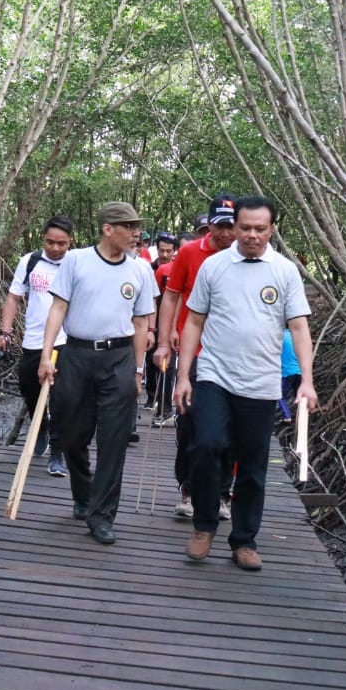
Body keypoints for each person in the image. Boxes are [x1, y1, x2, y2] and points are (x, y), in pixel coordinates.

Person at [174, 195, 317, 571]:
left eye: (260, 229)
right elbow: (194, 322)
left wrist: (307, 381)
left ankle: (244, 541)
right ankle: (204, 525)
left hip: (261, 383)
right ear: (233, 227)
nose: (252, 235)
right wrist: (183, 375)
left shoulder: (285, 271)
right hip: (215, 375)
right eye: (246, 228)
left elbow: (299, 326)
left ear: (271, 229)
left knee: (253, 466)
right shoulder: (214, 267)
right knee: (206, 445)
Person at [39, 202, 157, 545]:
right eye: (129, 226)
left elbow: (140, 323)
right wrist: (47, 356)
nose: (136, 233)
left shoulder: (140, 271)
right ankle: (83, 493)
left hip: (119, 359)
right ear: (108, 229)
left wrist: (138, 372)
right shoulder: (76, 260)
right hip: (77, 355)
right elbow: (58, 307)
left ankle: (102, 515)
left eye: (137, 226)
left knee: (114, 441)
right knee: (72, 436)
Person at [154, 193, 238, 521]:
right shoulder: (190, 252)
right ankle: (188, 489)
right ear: (209, 225)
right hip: (194, 350)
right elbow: (172, 297)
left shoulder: (246, 254)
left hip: (233, 355)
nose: (225, 233)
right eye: (219, 226)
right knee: (189, 423)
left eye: (231, 226)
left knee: (229, 429)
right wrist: (164, 339)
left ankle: (221, 494)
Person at [0, 215, 74, 477]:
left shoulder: (77, 264)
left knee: (62, 397)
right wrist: (5, 332)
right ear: (43, 239)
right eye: (51, 242)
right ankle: (40, 425)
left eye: (61, 243)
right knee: (28, 388)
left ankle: (57, 453)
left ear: (70, 242)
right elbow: (13, 297)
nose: (55, 248)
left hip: (66, 340)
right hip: (34, 340)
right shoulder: (30, 262)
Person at [146, 231, 179, 410]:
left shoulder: (177, 268)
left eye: (169, 251)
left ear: (175, 251)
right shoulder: (150, 269)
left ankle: (165, 406)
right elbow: (153, 298)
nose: (165, 255)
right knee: (150, 362)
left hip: (173, 324)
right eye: (161, 250)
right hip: (153, 322)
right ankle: (151, 398)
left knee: (168, 364)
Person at [278, 327, 301, 423]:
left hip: (287, 372)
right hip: (300, 372)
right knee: (299, 395)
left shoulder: (280, 336)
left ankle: (287, 416)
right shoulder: (297, 336)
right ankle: (301, 415)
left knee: (279, 395)